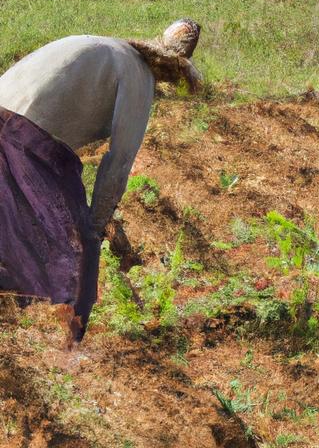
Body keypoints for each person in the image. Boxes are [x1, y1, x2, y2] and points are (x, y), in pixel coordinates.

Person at [0, 20, 202, 342]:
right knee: (72, 250)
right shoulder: (139, 76)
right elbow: (119, 162)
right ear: (174, 71)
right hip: (28, 139)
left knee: (18, 236)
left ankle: (35, 336)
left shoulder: (110, 48)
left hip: (7, 115)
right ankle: (70, 346)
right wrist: (95, 227)